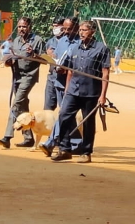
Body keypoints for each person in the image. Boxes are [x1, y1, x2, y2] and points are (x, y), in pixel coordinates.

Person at [52, 20, 110, 164]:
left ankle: (86, 152)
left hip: (91, 92)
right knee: (64, 115)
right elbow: (70, 72)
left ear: (92, 32)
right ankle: (65, 149)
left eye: (84, 30)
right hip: (73, 90)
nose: (81, 33)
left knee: (88, 122)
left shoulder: (101, 49)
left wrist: (102, 96)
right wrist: (66, 90)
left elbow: (105, 73)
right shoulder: (75, 48)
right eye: (80, 30)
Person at [0, 17, 45, 149]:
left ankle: (7, 136)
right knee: (23, 107)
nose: (21, 29)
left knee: (16, 104)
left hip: (29, 77)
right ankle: (28, 137)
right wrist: (7, 61)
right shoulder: (16, 41)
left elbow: (45, 60)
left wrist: (34, 54)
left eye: (24, 27)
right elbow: (9, 58)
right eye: (19, 27)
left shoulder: (37, 41)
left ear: (29, 27)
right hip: (16, 77)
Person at [40, 17, 82, 157]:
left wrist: (67, 69)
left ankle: (51, 142)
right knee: (66, 115)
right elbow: (57, 57)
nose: (66, 31)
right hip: (58, 81)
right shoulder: (62, 40)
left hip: (72, 85)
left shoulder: (80, 43)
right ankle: (75, 143)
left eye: (69, 29)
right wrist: (53, 61)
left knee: (64, 113)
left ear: (76, 28)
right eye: (64, 28)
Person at [43, 17, 64, 111]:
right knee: (48, 108)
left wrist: (55, 56)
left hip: (63, 79)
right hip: (52, 77)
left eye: (57, 26)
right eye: (53, 26)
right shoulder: (50, 42)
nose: (55, 28)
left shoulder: (68, 41)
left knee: (64, 109)